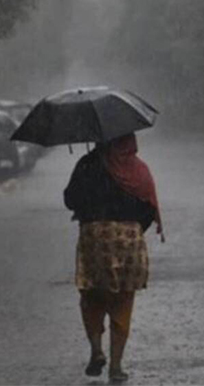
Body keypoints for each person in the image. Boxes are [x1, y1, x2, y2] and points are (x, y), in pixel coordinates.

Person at [64, 133, 163, 383]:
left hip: (94, 239)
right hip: (129, 241)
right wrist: (131, 228)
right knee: (122, 302)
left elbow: (70, 199)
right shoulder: (138, 169)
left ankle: (96, 349)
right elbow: (149, 207)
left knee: (92, 295)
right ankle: (116, 367)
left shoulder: (89, 164)